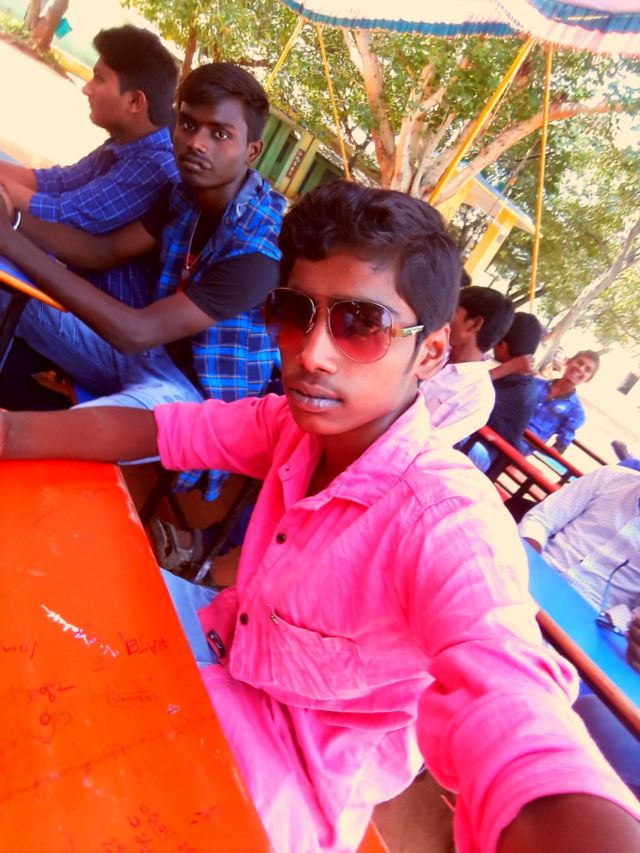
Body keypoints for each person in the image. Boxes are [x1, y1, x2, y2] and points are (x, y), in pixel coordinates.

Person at [0, 182, 637, 853]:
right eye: (295, 313)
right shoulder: (293, 425)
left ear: (429, 353)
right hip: (226, 645)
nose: (311, 353)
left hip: (283, 775)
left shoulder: (447, 520)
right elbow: (164, 429)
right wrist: (13, 432)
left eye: (361, 324)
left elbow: (512, 701)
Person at [0, 62, 286, 500]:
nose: (197, 143)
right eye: (188, 124)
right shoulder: (184, 194)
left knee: (24, 442)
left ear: (252, 151)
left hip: (190, 400)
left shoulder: (260, 251)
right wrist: (15, 219)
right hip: (140, 354)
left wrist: (8, 239)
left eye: (220, 133)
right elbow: (99, 251)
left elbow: (134, 331)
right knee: (7, 293)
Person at [0, 25, 179, 307]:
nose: (86, 88)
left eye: (99, 79)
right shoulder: (125, 143)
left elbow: (60, 216)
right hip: (67, 279)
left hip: (90, 311)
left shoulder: (153, 166)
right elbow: (57, 182)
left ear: (135, 101)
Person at [519, 464, 640, 796]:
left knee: (542, 681)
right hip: (526, 577)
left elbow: (633, 619)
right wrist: (528, 566)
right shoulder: (610, 479)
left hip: (583, 627)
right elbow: (539, 521)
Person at [422, 284, 514, 446]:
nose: (444, 318)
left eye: (453, 311)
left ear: (474, 324)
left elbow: (430, 445)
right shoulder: (429, 349)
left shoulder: (479, 397)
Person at [466, 311, 544, 472]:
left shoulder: (520, 390)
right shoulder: (519, 378)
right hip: (479, 438)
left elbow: (465, 391)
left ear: (503, 346)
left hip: (486, 452)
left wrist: (508, 367)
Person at [516, 350, 599, 456]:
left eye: (587, 370)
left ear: (588, 379)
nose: (580, 369)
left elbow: (560, 446)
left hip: (519, 450)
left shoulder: (575, 412)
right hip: (503, 431)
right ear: (568, 362)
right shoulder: (534, 383)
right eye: (579, 363)